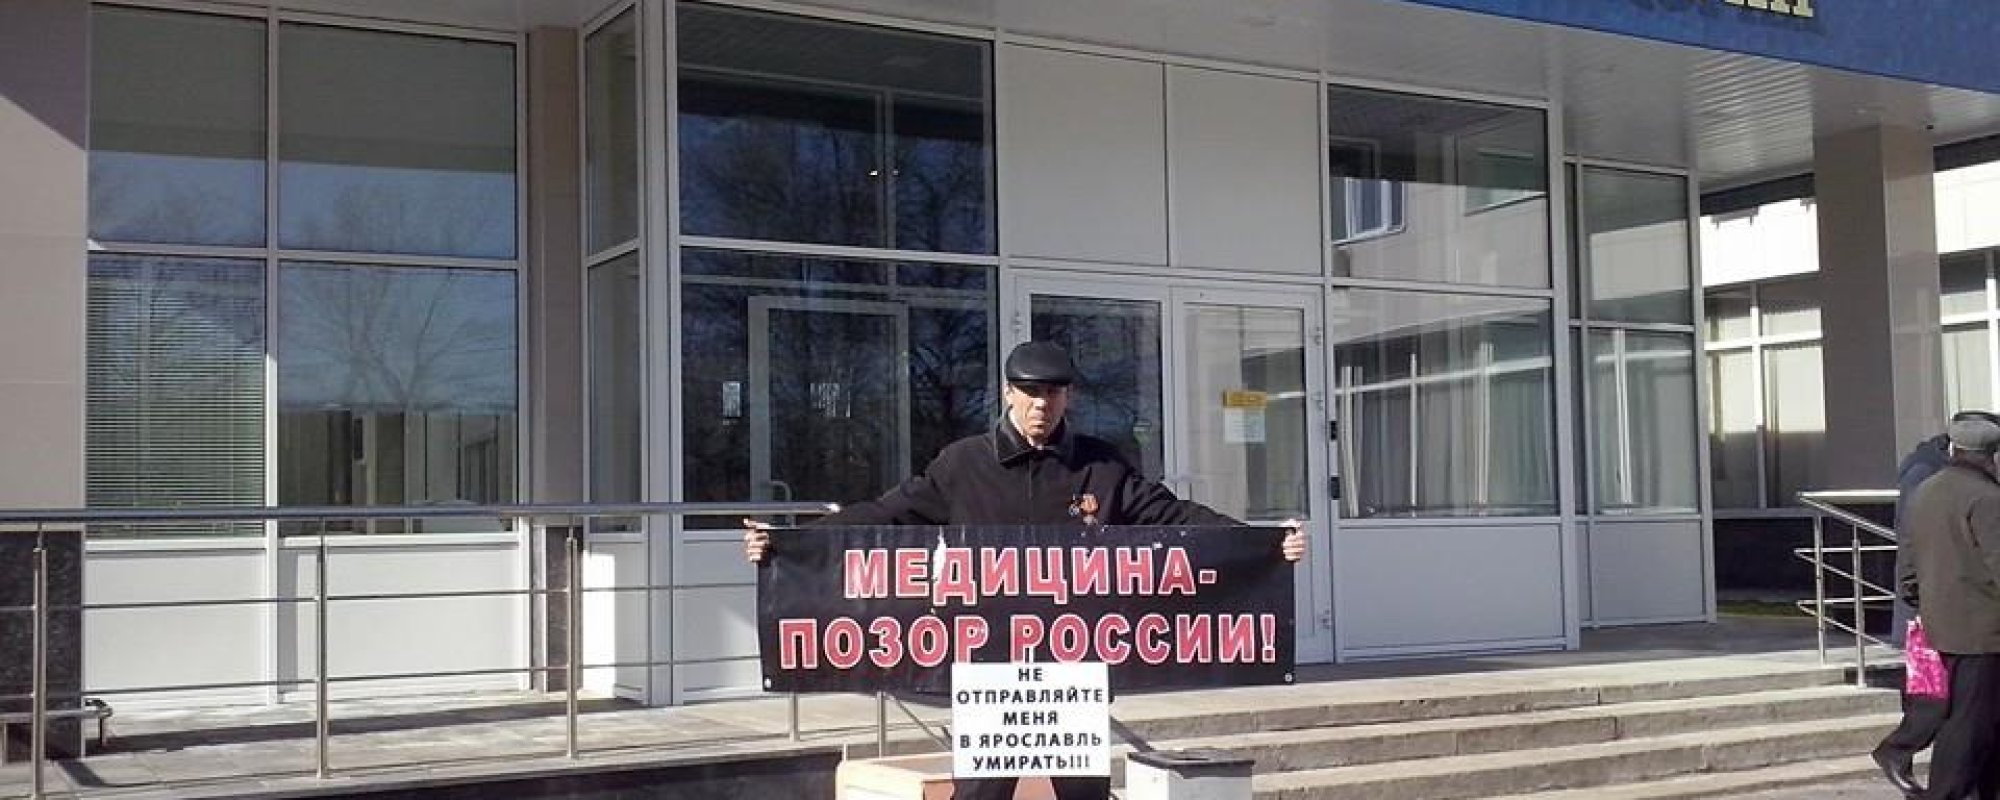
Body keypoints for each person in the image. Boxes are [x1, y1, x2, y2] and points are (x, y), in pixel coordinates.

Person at [744, 340, 1307, 800]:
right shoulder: (963, 464)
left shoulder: (1101, 465)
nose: (1042, 403)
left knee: (1083, 792)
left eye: (1054, 392)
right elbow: (885, 515)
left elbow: (1173, 516)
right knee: (981, 792)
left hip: (1074, 659)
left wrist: (1262, 542)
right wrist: (790, 543)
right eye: (1031, 391)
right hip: (991, 664)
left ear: (1069, 397)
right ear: (1009, 393)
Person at [1877, 410, 2000, 797]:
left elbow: (1907, 564)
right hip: (1982, 633)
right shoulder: (1987, 498)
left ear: (1954, 448)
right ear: (1991, 454)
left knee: (1967, 721)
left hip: (1939, 625)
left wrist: (1922, 603)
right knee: (1970, 726)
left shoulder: (1926, 491)